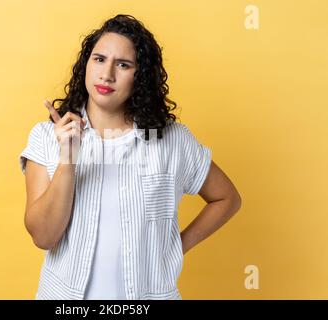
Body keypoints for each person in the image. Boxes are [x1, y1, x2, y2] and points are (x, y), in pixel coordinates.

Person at [19, 14, 242, 300]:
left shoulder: (172, 140)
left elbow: (227, 198)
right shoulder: (47, 136)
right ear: (85, 65)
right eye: (99, 59)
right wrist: (68, 158)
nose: (107, 74)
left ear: (140, 76)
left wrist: (175, 247)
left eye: (123, 65)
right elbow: (43, 237)